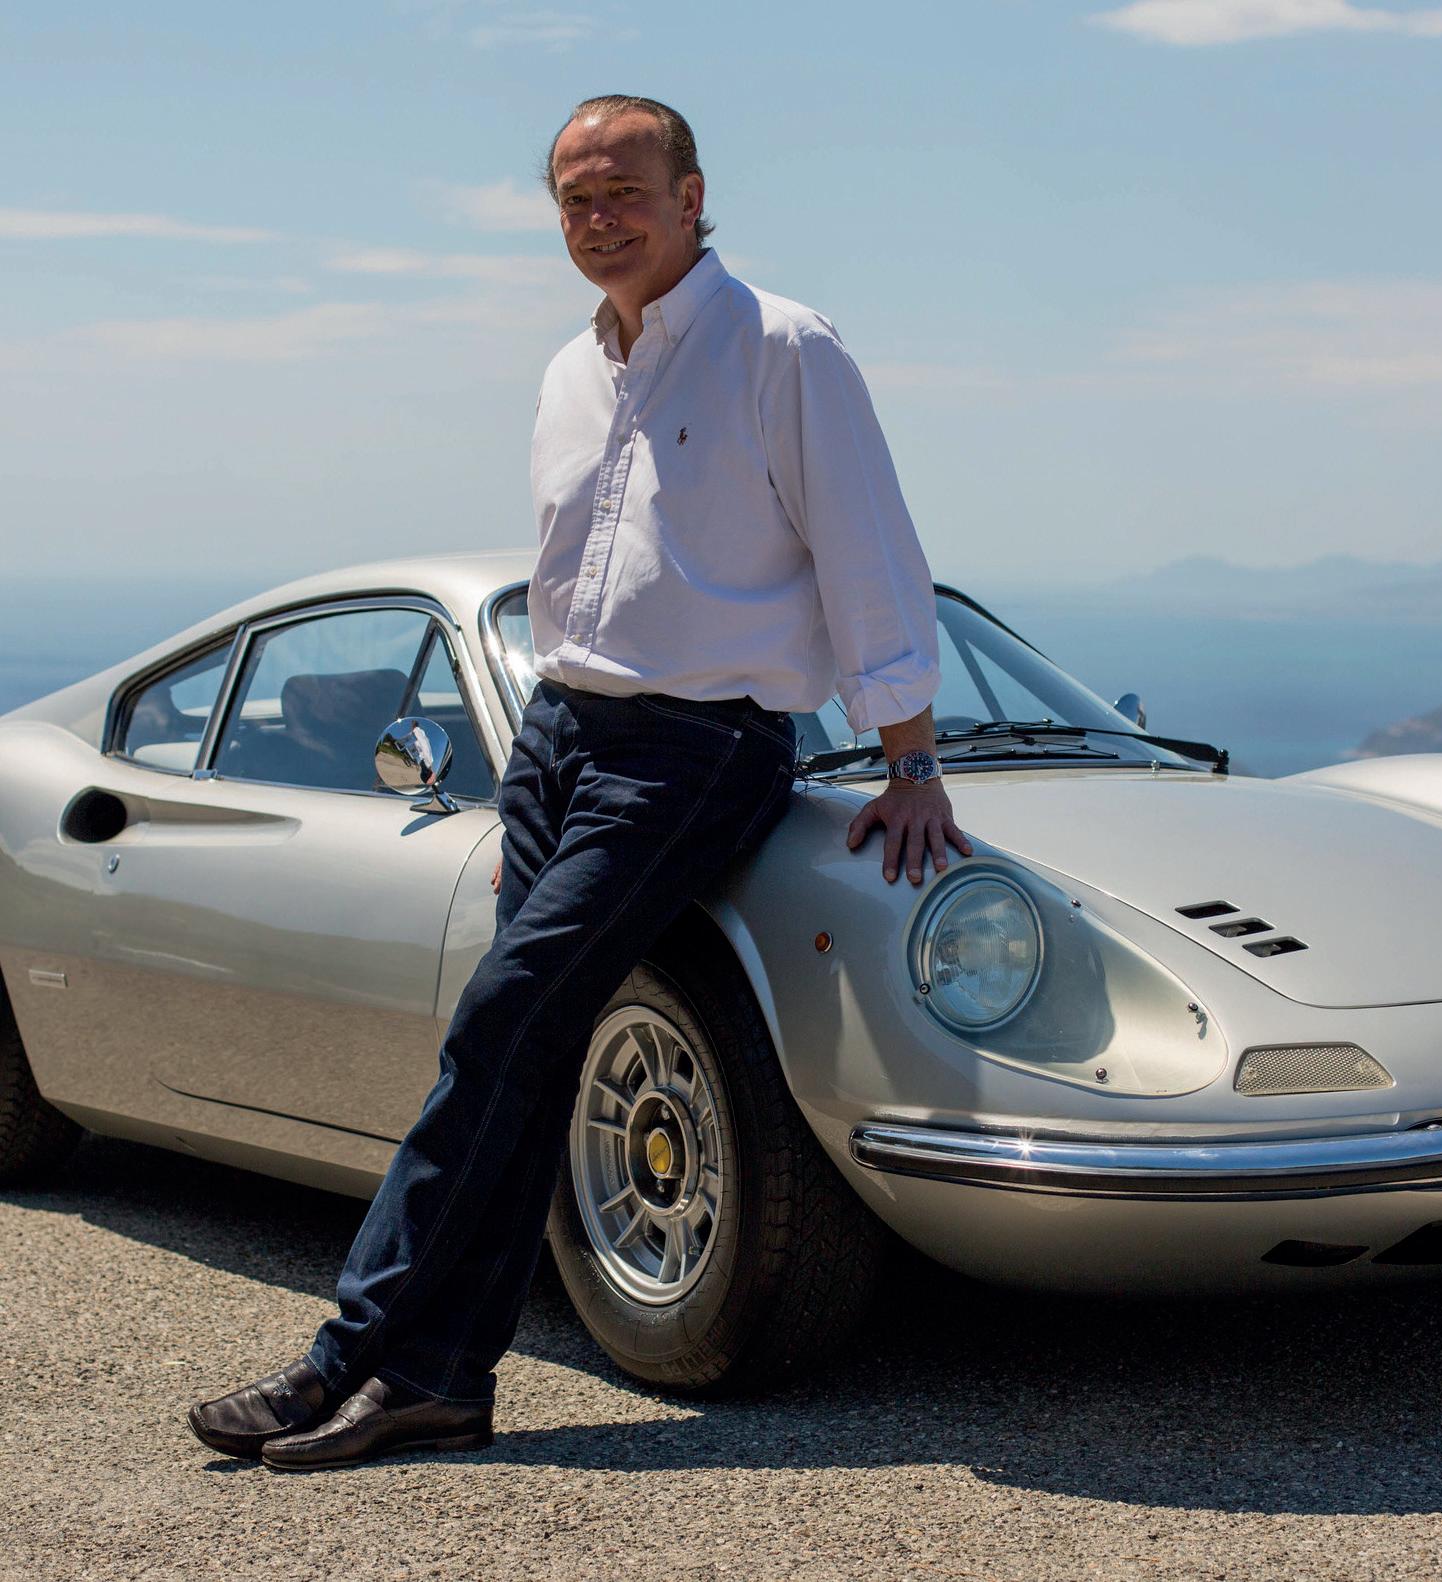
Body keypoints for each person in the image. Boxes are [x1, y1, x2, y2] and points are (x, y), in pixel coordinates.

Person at [186, 94, 970, 1471]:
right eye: (574, 198)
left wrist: (912, 759)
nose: (599, 217)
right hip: (558, 743)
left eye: (624, 190)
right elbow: (571, 589)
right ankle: (438, 1381)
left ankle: (346, 1357)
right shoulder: (567, 371)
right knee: (523, 1054)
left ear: (691, 196)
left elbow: (870, 552)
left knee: (498, 1027)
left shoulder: (783, 347)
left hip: (699, 750)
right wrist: (525, 789)